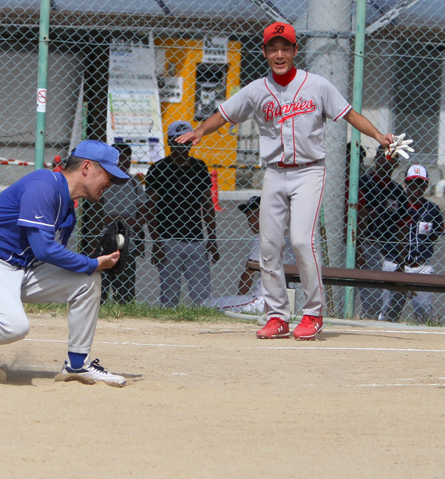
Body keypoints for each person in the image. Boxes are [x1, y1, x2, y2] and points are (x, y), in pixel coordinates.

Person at [175, 21, 395, 340]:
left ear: (294, 50)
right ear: (264, 51)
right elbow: (223, 114)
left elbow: (349, 114)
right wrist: (198, 131)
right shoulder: (256, 90)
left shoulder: (316, 85)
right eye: (273, 48)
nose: (280, 54)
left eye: (286, 47)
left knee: (302, 241)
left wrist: (378, 135)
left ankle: (313, 312)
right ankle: (277, 315)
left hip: (309, 170)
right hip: (275, 172)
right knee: (268, 245)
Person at [0, 140, 129, 387]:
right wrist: (91, 261)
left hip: (19, 270)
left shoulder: (68, 212)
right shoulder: (43, 185)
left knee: (87, 279)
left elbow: (48, 254)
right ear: (86, 167)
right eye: (107, 174)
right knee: (15, 326)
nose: (110, 183)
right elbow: (44, 249)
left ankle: (77, 364)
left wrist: (94, 262)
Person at [144, 120, 218, 308]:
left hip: (196, 238)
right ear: (169, 142)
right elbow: (150, 208)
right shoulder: (158, 169)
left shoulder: (199, 168)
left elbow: (207, 204)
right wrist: (157, 241)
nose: (181, 147)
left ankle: (200, 323)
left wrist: (212, 238)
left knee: (202, 294)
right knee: (169, 294)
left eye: (185, 142)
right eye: (176, 142)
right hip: (168, 239)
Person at [379, 164, 443, 323]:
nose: (416, 187)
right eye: (412, 182)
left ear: (426, 185)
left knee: (423, 310)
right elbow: (383, 229)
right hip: (394, 263)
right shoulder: (395, 205)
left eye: (420, 183)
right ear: (405, 183)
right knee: (389, 312)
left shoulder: (432, 210)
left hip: (419, 265)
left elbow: (434, 235)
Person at [356, 145, 409, 319]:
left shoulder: (397, 191)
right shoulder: (363, 183)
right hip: (366, 243)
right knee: (369, 300)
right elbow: (357, 218)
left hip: (387, 248)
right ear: (376, 159)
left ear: (396, 163)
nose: (385, 161)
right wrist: (358, 248)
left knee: (380, 304)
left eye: (390, 158)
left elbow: (402, 227)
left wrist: (402, 259)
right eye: (381, 156)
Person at [99, 142, 148, 304]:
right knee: (101, 283)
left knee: (126, 284)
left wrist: (119, 220)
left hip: (128, 241)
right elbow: (96, 213)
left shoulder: (134, 183)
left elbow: (143, 213)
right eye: (121, 157)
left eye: (128, 157)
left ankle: (124, 307)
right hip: (103, 239)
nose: (124, 161)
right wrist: (121, 219)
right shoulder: (102, 181)